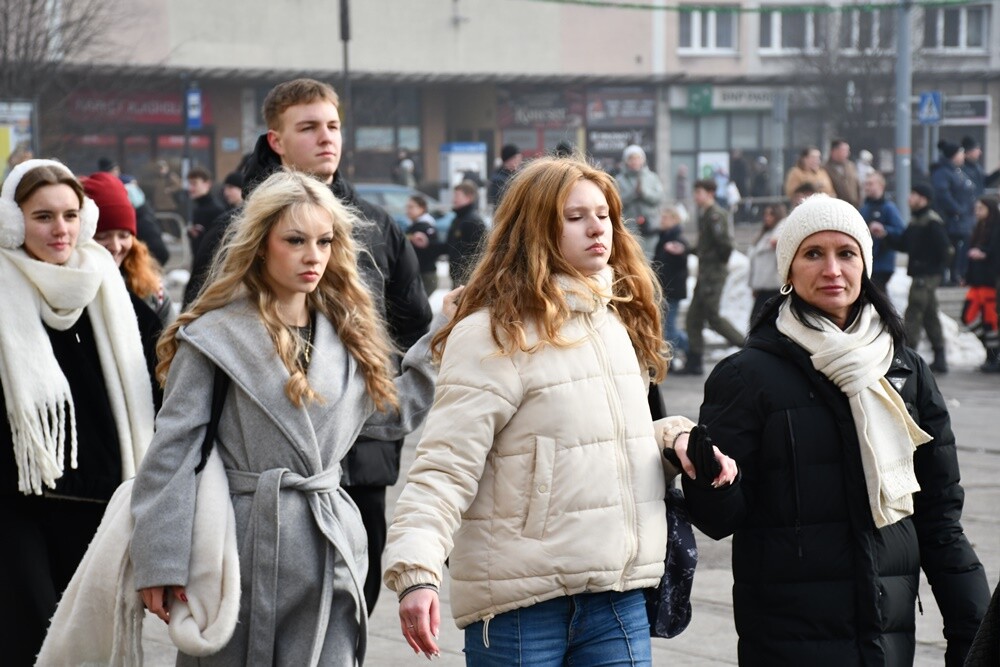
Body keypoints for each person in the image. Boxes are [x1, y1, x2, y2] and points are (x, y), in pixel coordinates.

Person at [382, 156, 737, 662]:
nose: (598, 228)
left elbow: (596, 442)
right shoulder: (491, 332)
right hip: (522, 604)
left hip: (618, 599)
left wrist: (673, 440)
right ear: (536, 230)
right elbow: (444, 465)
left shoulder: (615, 323)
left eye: (605, 215)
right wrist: (416, 571)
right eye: (575, 217)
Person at [131, 170, 456, 664]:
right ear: (262, 244)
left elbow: (390, 417)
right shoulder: (213, 337)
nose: (314, 256)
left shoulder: (346, 335)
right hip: (235, 552)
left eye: (325, 241)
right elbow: (173, 449)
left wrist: (441, 337)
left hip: (329, 548)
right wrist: (160, 558)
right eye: (296, 240)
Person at [676, 194, 990, 666]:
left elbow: (940, 520)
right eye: (813, 254)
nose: (832, 269)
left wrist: (976, 632)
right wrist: (714, 480)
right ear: (788, 270)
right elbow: (719, 520)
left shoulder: (904, 370)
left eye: (846, 253)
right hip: (788, 639)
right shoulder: (746, 376)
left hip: (888, 639)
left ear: (864, 263)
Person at [239, 78, 432, 614]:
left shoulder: (377, 227)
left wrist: (378, 391)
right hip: (270, 464)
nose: (327, 138)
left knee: (354, 601)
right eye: (309, 127)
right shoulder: (241, 229)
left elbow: (411, 325)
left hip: (362, 450)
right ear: (276, 139)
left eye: (333, 126)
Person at [0, 159, 155, 663]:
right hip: (19, 502)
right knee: (29, 642)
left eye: (69, 215)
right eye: (42, 216)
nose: (60, 229)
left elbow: (168, 359)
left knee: (92, 649)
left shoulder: (104, 282)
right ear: (12, 219)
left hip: (100, 504)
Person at [83, 172, 171, 407]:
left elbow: (170, 362)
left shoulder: (153, 291)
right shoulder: (73, 292)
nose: (115, 246)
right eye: (102, 236)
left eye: (124, 235)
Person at [679, 178, 745, 375]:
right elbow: (704, 245)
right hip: (706, 273)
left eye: (699, 192)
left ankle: (746, 344)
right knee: (693, 318)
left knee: (712, 316)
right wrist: (688, 251)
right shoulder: (706, 214)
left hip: (713, 274)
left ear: (710, 193)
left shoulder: (715, 215)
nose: (695, 197)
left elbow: (725, 244)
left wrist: (716, 264)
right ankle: (694, 360)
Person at [886, 183, 951, 373]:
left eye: (913, 194)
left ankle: (906, 356)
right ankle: (940, 356)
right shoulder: (916, 220)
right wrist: (886, 235)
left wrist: (935, 271)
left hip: (926, 276)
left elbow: (946, 250)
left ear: (923, 198)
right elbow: (905, 244)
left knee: (914, 311)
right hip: (921, 275)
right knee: (930, 315)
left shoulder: (932, 222)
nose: (909, 198)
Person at [931, 140, 977, 286]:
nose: (963, 156)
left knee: (959, 248)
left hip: (962, 220)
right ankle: (948, 276)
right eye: (961, 153)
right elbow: (943, 195)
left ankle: (956, 275)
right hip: (951, 220)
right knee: (951, 248)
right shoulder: (943, 173)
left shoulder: (957, 171)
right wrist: (958, 210)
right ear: (954, 155)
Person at [964, 195, 1000, 373]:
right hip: (977, 283)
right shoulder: (979, 227)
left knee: (990, 322)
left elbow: (995, 253)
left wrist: (984, 253)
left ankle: (993, 356)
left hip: (989, 282)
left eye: (981, 208)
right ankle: (992, 350)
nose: (977, 211)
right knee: (967, 316)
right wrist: (967, 276)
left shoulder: (996, 228)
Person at [652, 205, 690, 367]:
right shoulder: (664, 236)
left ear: (674, 220)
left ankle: (678, 355)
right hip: (664, 288)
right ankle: (689, 347)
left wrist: (681, 251)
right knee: (667, 325)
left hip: (672, 289)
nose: (662, 220)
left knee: (670, 326)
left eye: (665, 217)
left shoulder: (676, 238)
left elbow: (682, 258)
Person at [615, 144, 665, 258]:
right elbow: (616, 202)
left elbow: (659, 198)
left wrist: (644, 193)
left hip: (650, 227)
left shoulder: (652, 177)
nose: (635, 162)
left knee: (650, 259)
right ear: (626, 161)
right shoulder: (619, 180)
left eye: (637, 158)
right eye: (631, 159)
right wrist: (633, 193)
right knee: (631, 258)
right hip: (629, 227)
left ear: (643, 160)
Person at [860, 171, 906, 293]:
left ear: (881, 186)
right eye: (866, 184)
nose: (867, 187)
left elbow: (901, 232)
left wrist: (884, 230)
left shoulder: (888, 207)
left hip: (883, 262)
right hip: (868, 261)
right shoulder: (864, 208)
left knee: (878, 295)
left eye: (870, 184)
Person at [747, 202, 786, 320]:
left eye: (771, 214)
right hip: (762, 286)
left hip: (775, 286)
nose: (767, 217)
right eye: (766, 214)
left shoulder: (781, 228)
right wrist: (754, 286)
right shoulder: (763, 235)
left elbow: (778, 241)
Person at [445, 179, 487, 287]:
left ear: (468, 198)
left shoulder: (473, 221)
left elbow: (481, 251)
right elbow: (449, 246)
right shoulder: (458, 219)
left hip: (468, 279)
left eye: (457, 196)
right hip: (458, 276)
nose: (453, 200)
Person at [405, 194, 442, 296]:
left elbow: (435, 248)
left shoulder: (426, 226)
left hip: (425, 273)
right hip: (418, 273)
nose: (408, 210)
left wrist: (426, 243)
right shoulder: (414, 226)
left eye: (411, 207)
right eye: (407, 207)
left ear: (422, 208)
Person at [185, 166, 226, 258]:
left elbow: (217, 243)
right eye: (189, 184)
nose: (190, 188)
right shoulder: (198, 208)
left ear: (207, 184)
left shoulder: (216, 210)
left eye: (194, 184)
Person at [824, 138, 860, 207]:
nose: (848, 153)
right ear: (834, 151)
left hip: (854, 206)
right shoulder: (825, 169)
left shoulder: (851, 166)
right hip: (836, 207)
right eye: (844, 150)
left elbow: (858, 186)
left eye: (847, 150)